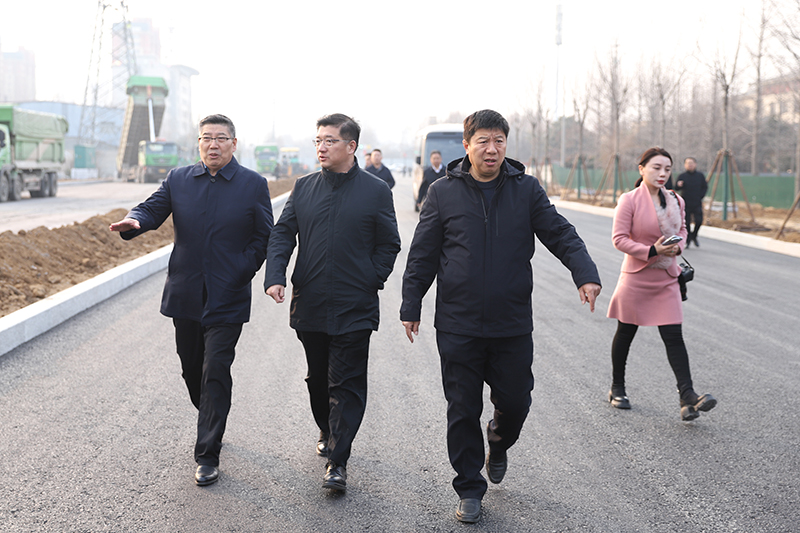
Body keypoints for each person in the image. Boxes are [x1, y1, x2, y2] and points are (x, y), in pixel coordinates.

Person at [400, 109, 602, 524]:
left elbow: (559, 232)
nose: (492, 149)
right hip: (458, 323)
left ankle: (499, 441)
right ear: (467, 145)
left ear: (506, 145)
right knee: (461, 408)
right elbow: (422, 254)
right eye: (483, 142)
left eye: (499, 141)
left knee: (515, 401)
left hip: (511, 323)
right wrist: (411, 304)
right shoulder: (442, 192)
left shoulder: (525, 190)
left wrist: (584, 273)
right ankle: (469, 488)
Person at [109, 114, 273, 486]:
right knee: (191, 368)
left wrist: (242, 269)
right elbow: (151, 209)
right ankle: (211, 415)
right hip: (186, 293)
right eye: (206, 138)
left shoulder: (253, 184)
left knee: (216, 370)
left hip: (228, 294)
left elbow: (264, 236)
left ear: (234, 143)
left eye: (221, 138)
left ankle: (207, 453)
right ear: (198, 143)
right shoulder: (179, 179)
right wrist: (135, 221)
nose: (213, 144)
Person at [264, 113, 401, 492]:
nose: (321, 148)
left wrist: (370, 279)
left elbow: (389, 243)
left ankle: (338, 462)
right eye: (318, 141)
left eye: (329, 141)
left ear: (351, 146)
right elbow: (282, 234)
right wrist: (275, 276)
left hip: (355, 305)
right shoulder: (304, 187)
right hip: (310, 300)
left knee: (347, 383)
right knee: (318, 379)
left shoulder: (375, 191)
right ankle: (326, 428)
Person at [606, 147, 716, 421]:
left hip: (667, 277)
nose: (662, 173)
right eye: (656, 168)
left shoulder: (676, 200)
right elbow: (619, 239)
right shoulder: (629, 200)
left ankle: (687, 395)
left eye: (667, 169)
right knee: (625, 333)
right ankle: (617, 387)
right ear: (642, 169)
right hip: (637, 277)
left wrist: (677, 247)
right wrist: (653, 250)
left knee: (674, 336)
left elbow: (683, 229)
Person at [675, 157, 708, 247]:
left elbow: (705, 187)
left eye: (691, 163)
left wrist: (700, 196)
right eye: (688, 163)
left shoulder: (700, 175)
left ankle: (694, 236)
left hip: (697, 202)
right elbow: (676, 188)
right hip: (686, 202)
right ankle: (688, 239)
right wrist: (679, 185)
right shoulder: (682, 176)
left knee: (699, 221)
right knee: (687, 222)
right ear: (685, 165)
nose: (690, 165)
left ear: (695, 164)